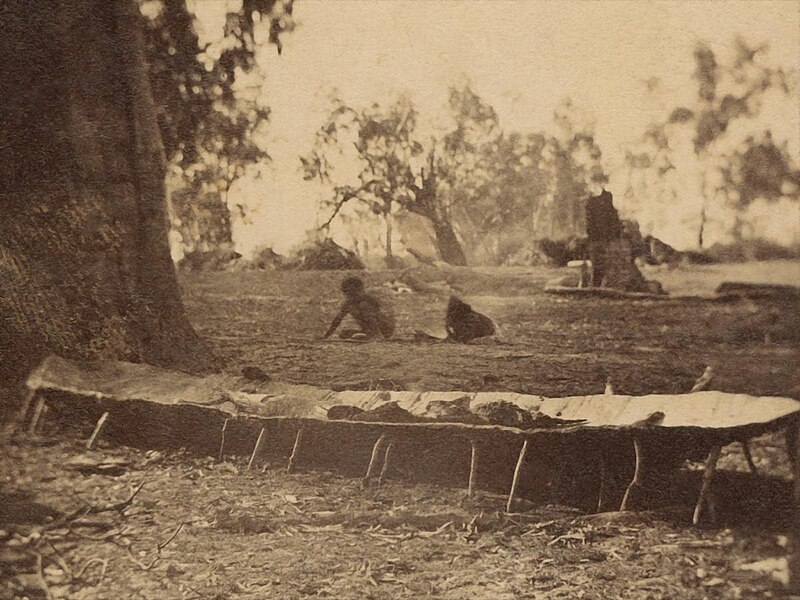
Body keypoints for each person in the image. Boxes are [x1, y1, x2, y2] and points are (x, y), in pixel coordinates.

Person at [322, 277, 395, 340]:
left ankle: (369, 336)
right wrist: (326, 336)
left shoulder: (365, 303)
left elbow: (374, 322)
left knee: (358, 335)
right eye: (347, 293)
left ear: (360, 290)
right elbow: (337, 320)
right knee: (344, 334)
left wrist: (378, 336)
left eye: (352, 293)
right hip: (368, 330)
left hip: (382, 330)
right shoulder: (348, 303)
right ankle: (368, 335)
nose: (349, 296)